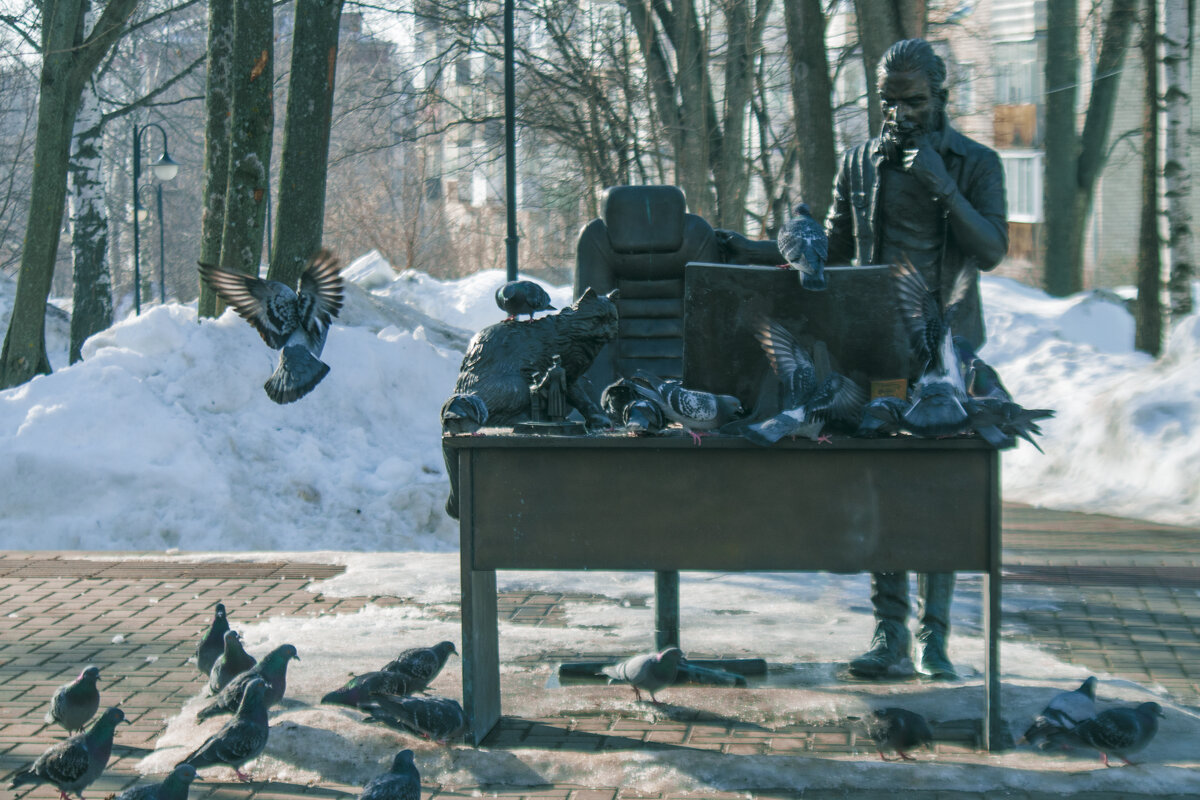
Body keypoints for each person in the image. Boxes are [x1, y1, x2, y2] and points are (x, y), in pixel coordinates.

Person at [827, 38, 1008, 679]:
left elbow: (990, 249)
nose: (901, 113)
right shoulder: (856, 163)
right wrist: (778, 249)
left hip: (949, 354)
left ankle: (936, 639)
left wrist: (939, 185)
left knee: (937, 495)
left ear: (941, 99)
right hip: (878, 349)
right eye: (889, 101)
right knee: (883, 490)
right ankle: (889, 633)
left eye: (915, 101)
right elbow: (831, 248)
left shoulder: (975, 163)